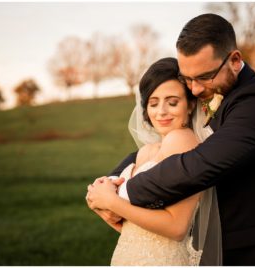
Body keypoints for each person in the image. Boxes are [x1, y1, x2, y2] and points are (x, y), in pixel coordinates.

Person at [87, 13, 255, 265]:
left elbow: (198, 164)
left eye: (204, 77)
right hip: (211, 249)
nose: (194, 89)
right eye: (187, 78)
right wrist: (110, 182)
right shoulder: (209, 94)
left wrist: (120, 195)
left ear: (235, 60)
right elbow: (156, 152)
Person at [87, 57, 222, 265]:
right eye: (153, 103)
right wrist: (101, 202)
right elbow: (130, 226)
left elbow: (177, 228)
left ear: (190, 105)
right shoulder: (145, 152)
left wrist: (111, 201)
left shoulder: (183, 140)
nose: (161, 111)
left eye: (172, 102)